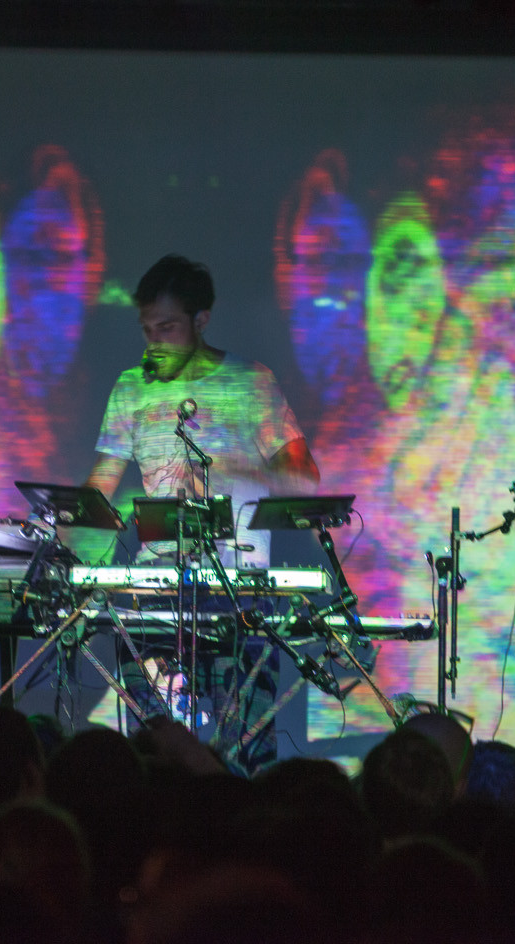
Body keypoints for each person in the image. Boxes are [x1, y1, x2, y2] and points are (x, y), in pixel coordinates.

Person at [84, 254, 319, 768]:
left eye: (167, 327)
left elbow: (305, 477)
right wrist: (58, 524)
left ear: (201, 320)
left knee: (242, 749)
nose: (155, 342)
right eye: (147, 329)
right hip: (156, 588)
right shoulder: (131, 387)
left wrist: (235, 469)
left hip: (239, 587)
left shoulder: (251, 382)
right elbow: (101, 484)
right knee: (154, 747)